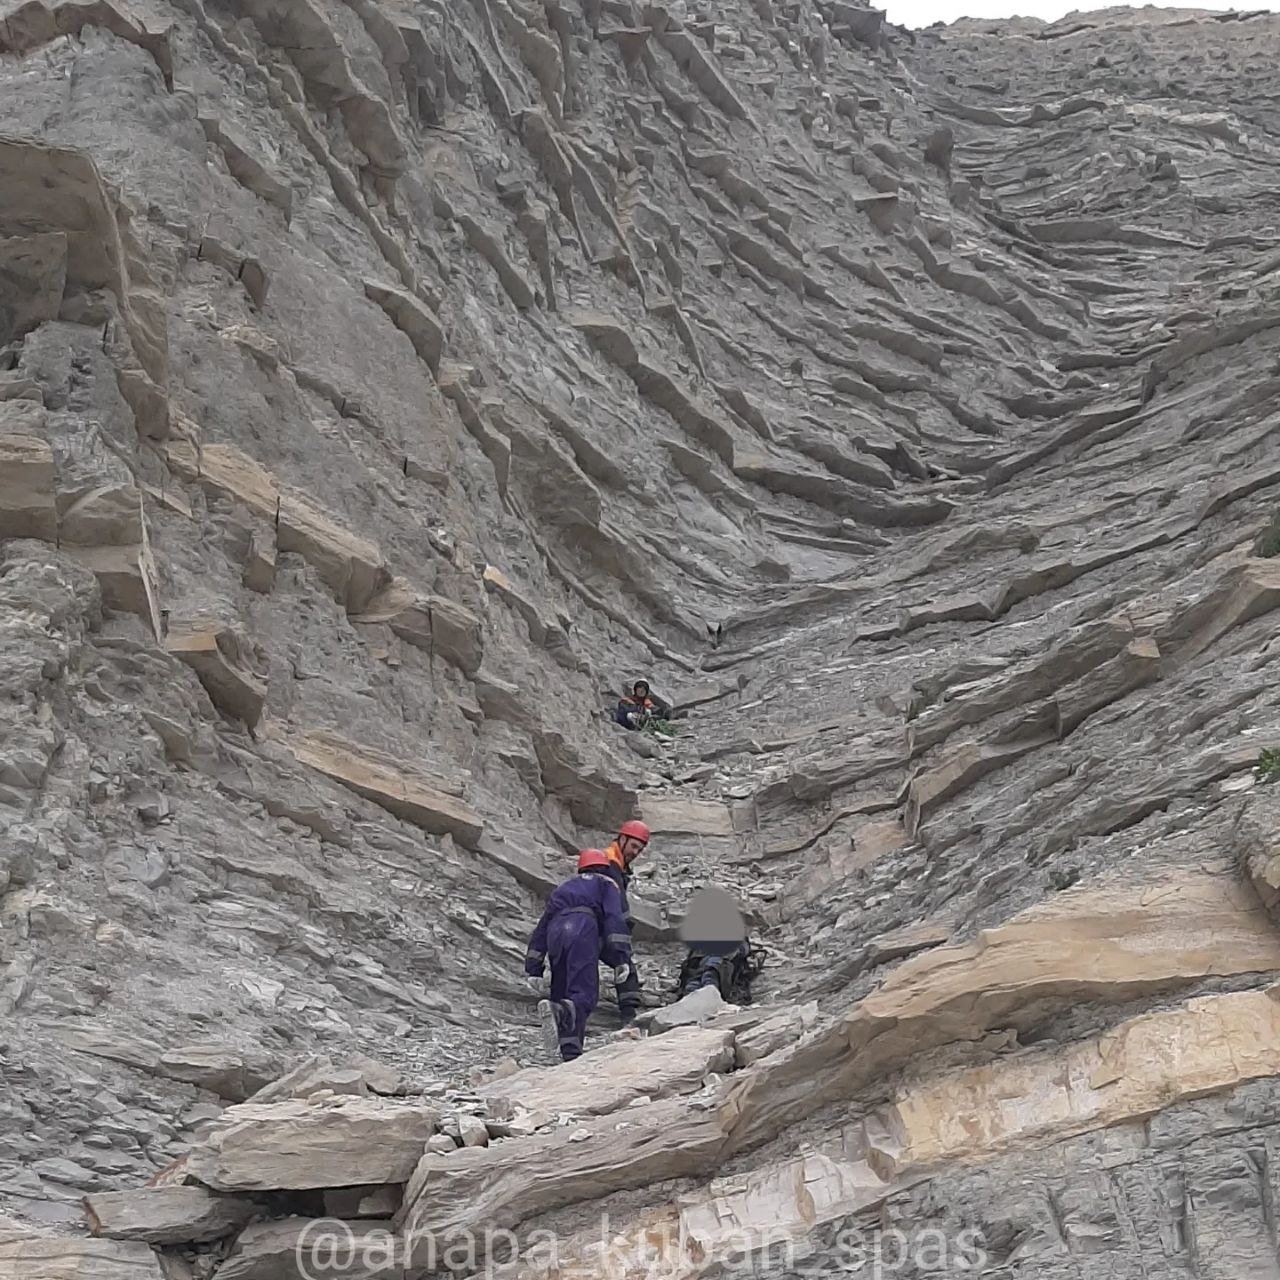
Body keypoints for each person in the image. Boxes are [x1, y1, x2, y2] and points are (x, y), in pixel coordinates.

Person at [524, 849, 633, 1062]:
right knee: (583, 992)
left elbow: (542, 926)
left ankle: (570, 1052)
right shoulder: (607, 883)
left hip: (556, 933)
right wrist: (621, 958)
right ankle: (559, 1012)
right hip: (583, 927)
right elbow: (613, 918)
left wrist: (534, 967)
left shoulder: (564, 887)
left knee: (562, 988)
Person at [600, 820, 650, 1024]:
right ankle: (629, 1018)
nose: (636, 852)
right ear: (622, 839)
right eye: (634, 846)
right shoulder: (610, 864)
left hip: (598, 925)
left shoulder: (615, 864)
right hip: (600, 926)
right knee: (625, 965)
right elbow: (615, 906)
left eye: (640, 849)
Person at [677, 938, 760, 1005]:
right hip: (700, 970)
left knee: (710, 976)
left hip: (719, 971)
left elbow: (742, 949)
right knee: (693, 985)